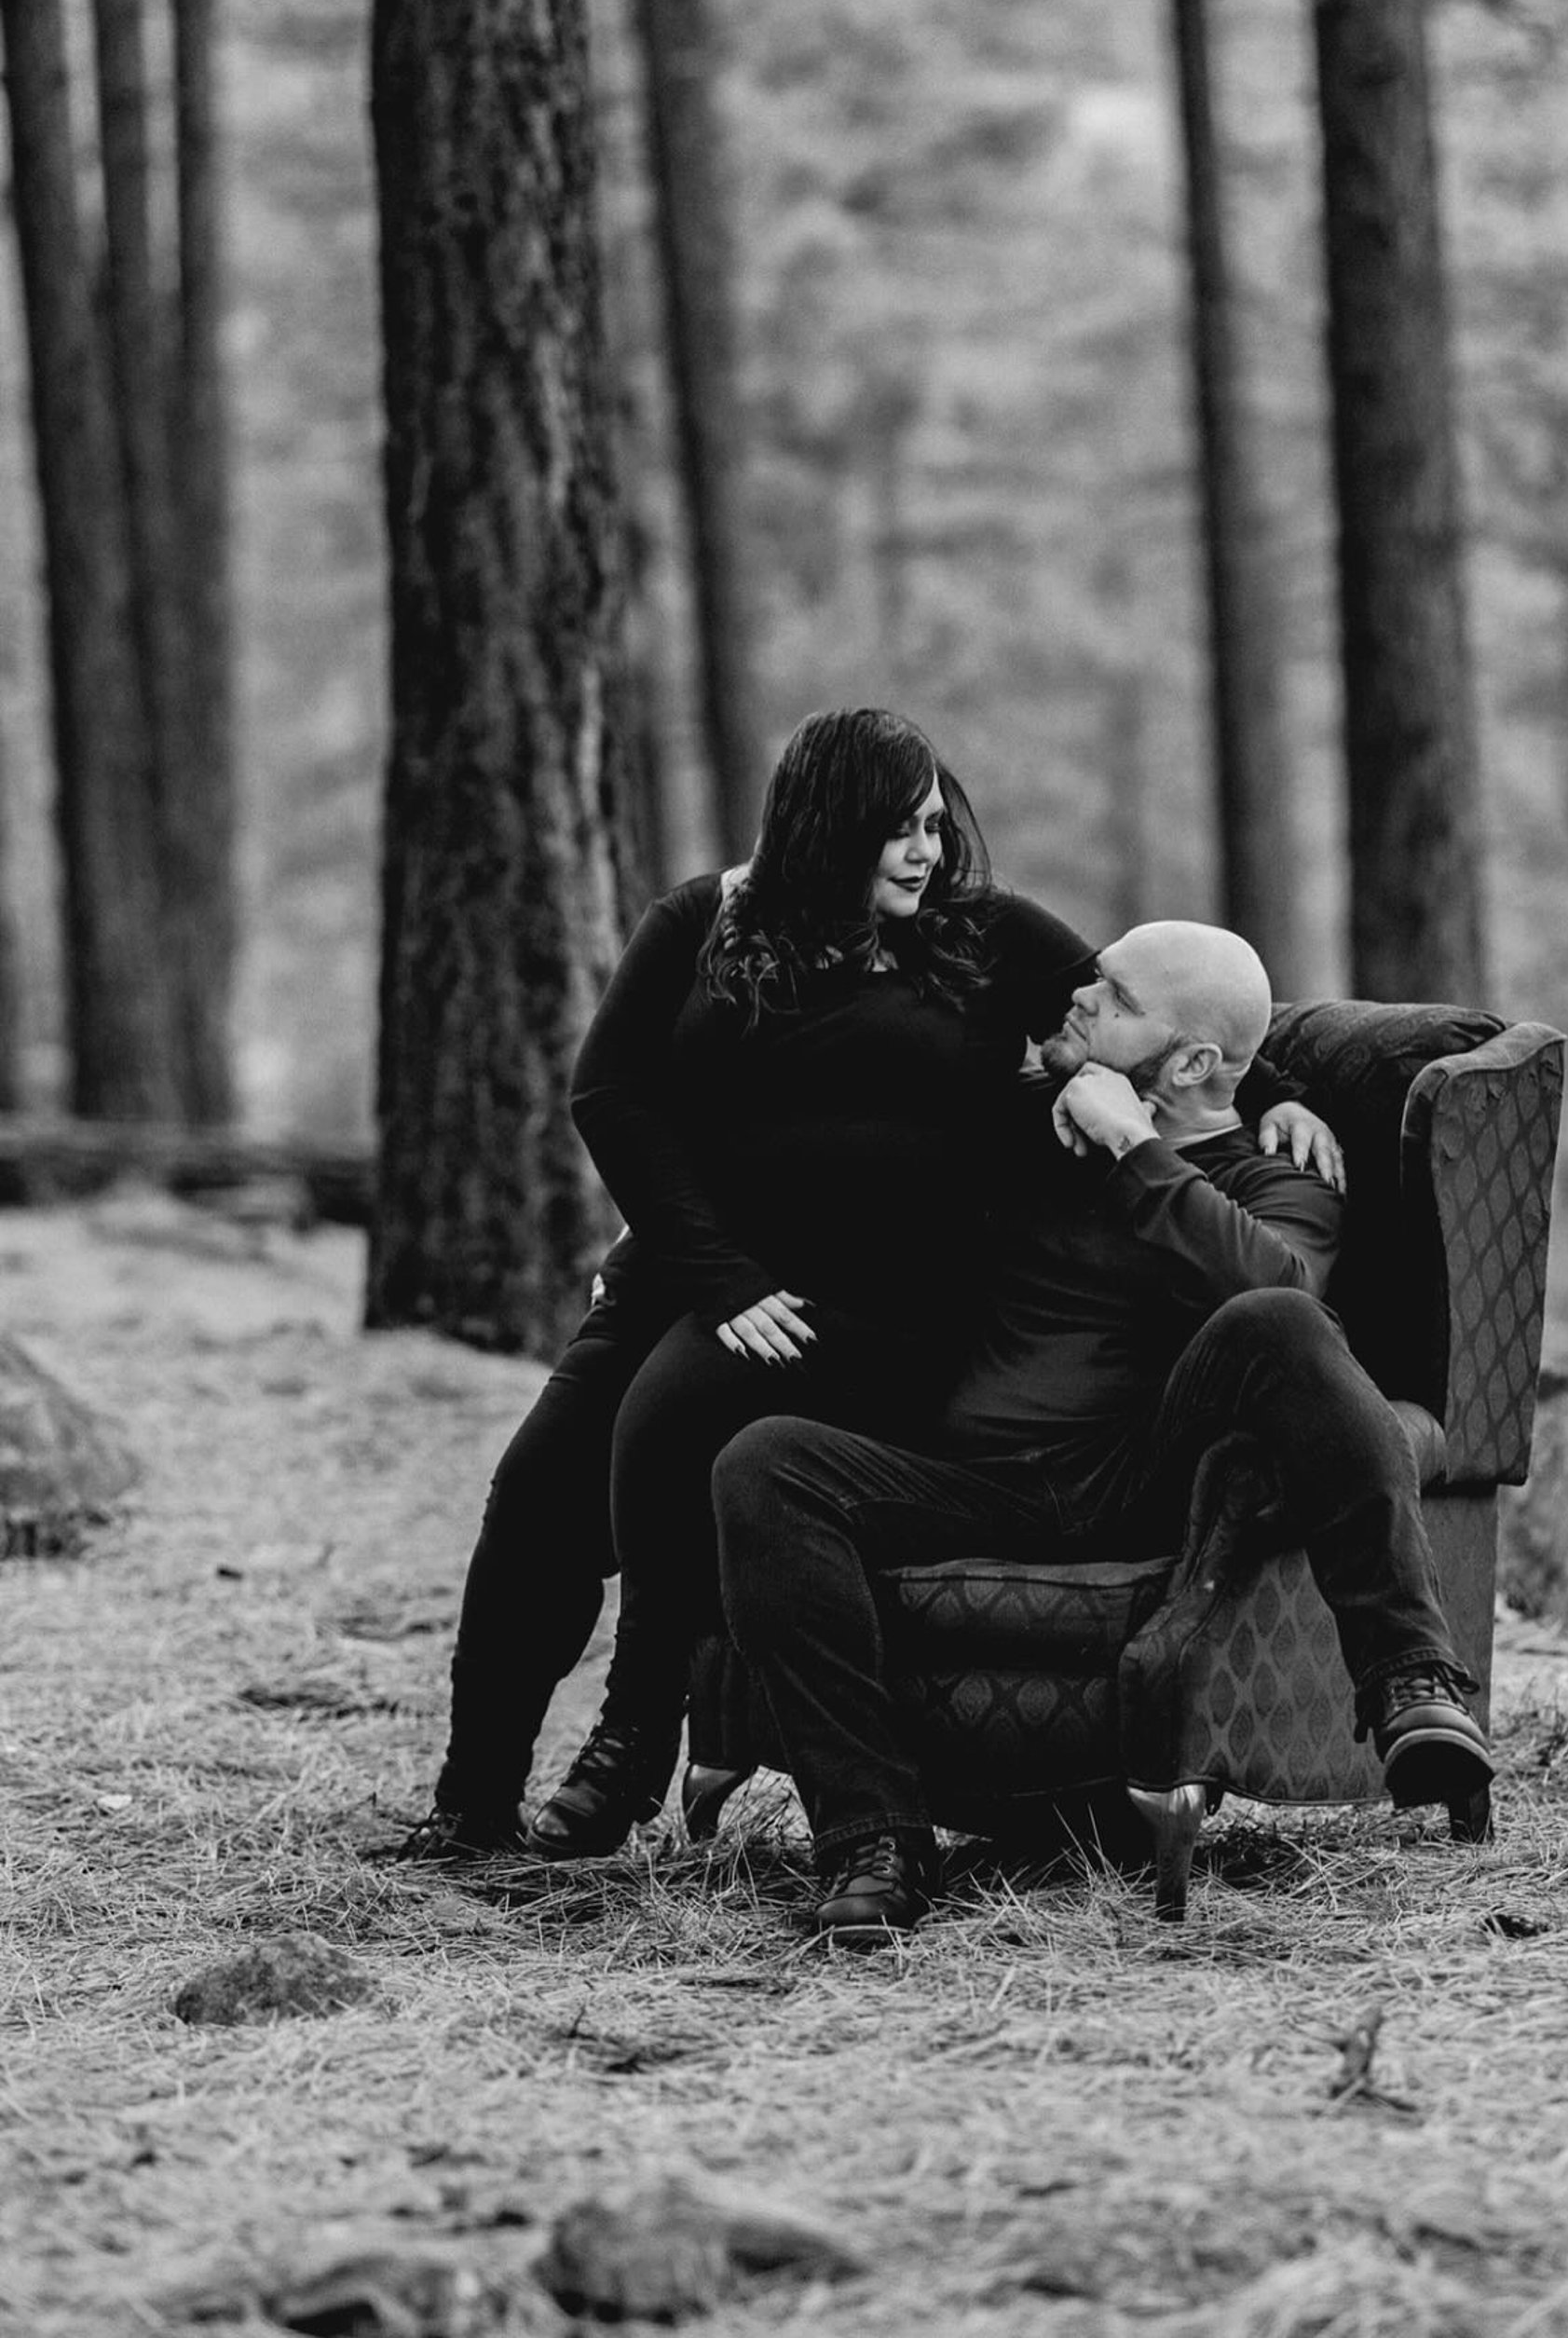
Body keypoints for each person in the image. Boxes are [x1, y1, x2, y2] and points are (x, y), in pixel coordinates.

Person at [402, 715, 1338, 1861]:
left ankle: (636, 1731)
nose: (924, 853)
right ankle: (470, 1806)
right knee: (539, 1491)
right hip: (698, 1274)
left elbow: (1143, 1006)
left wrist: (1282, 1084)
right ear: (823, 823)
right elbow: (613, 1094)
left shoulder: (980, 936)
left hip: (871, 1300)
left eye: (936, 826)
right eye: (897, 829)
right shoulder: (704, 924)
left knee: (668, 1418)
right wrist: (716, 1270)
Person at [710, 919, 1493, 1942]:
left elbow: (1277, 1294)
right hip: (969, 1480)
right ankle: (875, 1837)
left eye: (1116, 998)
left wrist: (1135, 1143)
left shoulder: (1276, 1181)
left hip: (1137, 1484)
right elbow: (903, 1032)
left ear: (1194, 1062)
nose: (1079, 997)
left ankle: (1409, 1681)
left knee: (1281, 1320)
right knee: (764, 1463)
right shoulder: (1028, 1120)